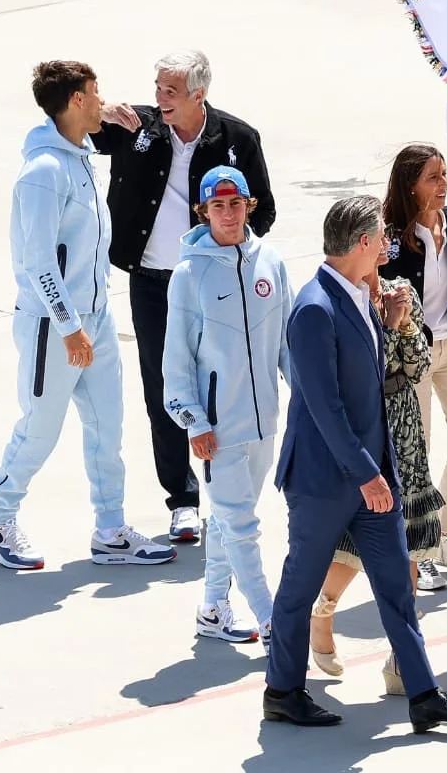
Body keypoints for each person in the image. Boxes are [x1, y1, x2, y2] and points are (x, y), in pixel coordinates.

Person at [263, 196, 447, 733]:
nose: (388, 241)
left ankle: (423, 694)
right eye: (381, 235)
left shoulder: (363, 294)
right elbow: (324, 405)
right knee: (299, 584)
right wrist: (367, 473)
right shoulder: (315, 308)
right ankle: (283, 690)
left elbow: (373, 382)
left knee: (396, 587)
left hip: (370, 475)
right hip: (326, 480)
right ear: (362, 244)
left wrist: (390, 321)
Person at [0, 61, 176, 570]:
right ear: (74, 101)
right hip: (55, 326)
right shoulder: (44, 172)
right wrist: (70, 329)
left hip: (96, 319)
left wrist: (89, 324)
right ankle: (0, 521)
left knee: (107, 427)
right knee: (40, 429)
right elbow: (38, 261)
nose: (101, 101)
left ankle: (110, 529)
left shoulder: (78, 155)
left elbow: (92, 118)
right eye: (94, 94)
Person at [92, 50, 276, 542]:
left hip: (211, 282)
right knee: (164, 387)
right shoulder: (136, 125)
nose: (158, 99)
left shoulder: (238, 138)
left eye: (169, 91)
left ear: (199, 94)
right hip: (152, 281)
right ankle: (183, 498)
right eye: (157, 88)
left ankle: (228, 491)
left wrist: (229, 257)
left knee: (221, 383)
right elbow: (76, 123)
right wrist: (101, 111)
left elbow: (264, 213)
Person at [308, 235, 445, 693]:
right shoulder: (340, 300)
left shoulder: (400, 288)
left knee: (408, 549)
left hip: (404, 433)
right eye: (377, 237)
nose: (384, 245)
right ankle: (322, 615)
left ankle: (402, 662)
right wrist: (384, 325)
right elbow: (363, 373)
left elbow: (416, 365)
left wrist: (402, 323)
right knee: (352, 546)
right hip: (365, 433)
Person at [163, 166, 292, 647]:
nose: (228, 215)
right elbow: (175, 359)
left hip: (265, 424)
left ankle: (213, 606)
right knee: (242, 526)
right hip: (218, 428)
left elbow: (287, 345)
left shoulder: (270, 263)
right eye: (217, 206)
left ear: (248, 206)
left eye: (235, 204)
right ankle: (272, 619)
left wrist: (308, 403)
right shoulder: (188, 275)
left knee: (226, 518)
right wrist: (192, 420)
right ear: (203, 211)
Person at [382, 144, 447, 591]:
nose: (443, 185)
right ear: (410, 185)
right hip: (412, 354)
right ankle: (419, 550)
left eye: (444, 175)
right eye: (433, 178)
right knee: (414, 455)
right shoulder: (390, 236)